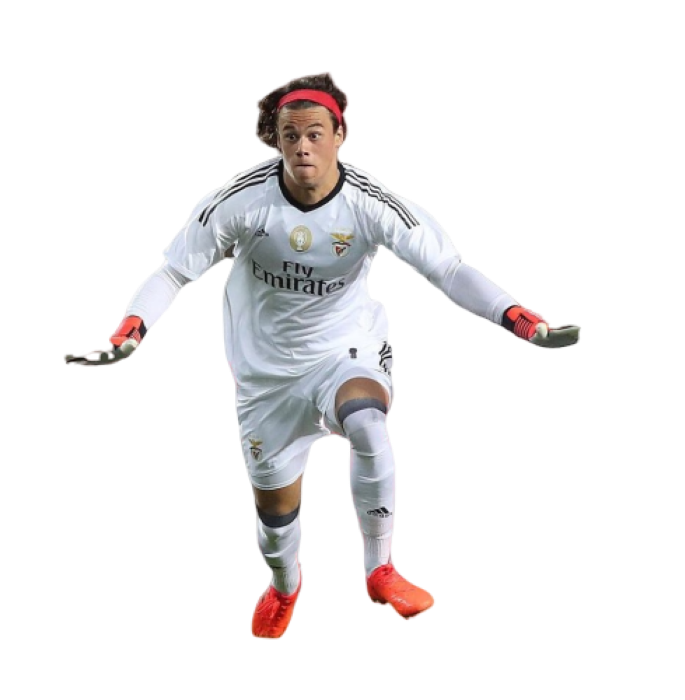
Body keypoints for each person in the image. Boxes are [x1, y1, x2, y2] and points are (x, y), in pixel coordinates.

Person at [63, 71, 581, 640]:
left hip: (344, 349)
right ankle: (285, 587)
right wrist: (130, 331)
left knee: (368, 422)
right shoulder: (239, 201)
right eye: (291, 135)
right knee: (276, 516)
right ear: (277, 139)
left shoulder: (370, 203)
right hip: (264, 378)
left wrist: (516, 316)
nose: (302, 147)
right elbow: (173, 273)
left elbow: (449, 271)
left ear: (340, 136)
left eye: (315, 134)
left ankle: (380, 569)